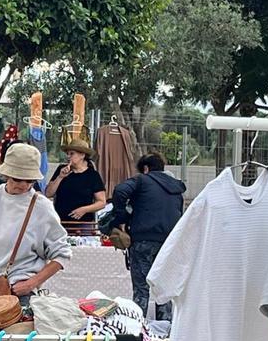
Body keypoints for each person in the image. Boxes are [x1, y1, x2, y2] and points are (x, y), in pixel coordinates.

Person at [0, 143, 71, 306]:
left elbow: (62, 254)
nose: (24, 184)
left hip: (18, 294)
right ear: (6, 174)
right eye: (17, 178)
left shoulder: (42, 207)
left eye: (29, 180)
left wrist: (31, 283)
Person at [109, 152, 185, 320]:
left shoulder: (142, 180)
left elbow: (120, 191)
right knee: (164, 288)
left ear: (145, 168)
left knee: (141, 288)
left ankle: (138, 325)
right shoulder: (176, 187)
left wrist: (121, 218)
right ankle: (164, 326)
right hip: (169, 242)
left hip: (143, 239)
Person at [47, 137, 107, 222]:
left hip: (83, 223)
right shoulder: (61, 169)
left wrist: (84, 210)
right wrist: (60, 177)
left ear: (82, 155)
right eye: (67, 154)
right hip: (60, 221)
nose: (68, 157)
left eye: (72, 154)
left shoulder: (92, 175)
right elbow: (48, 194)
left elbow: (101, 202)